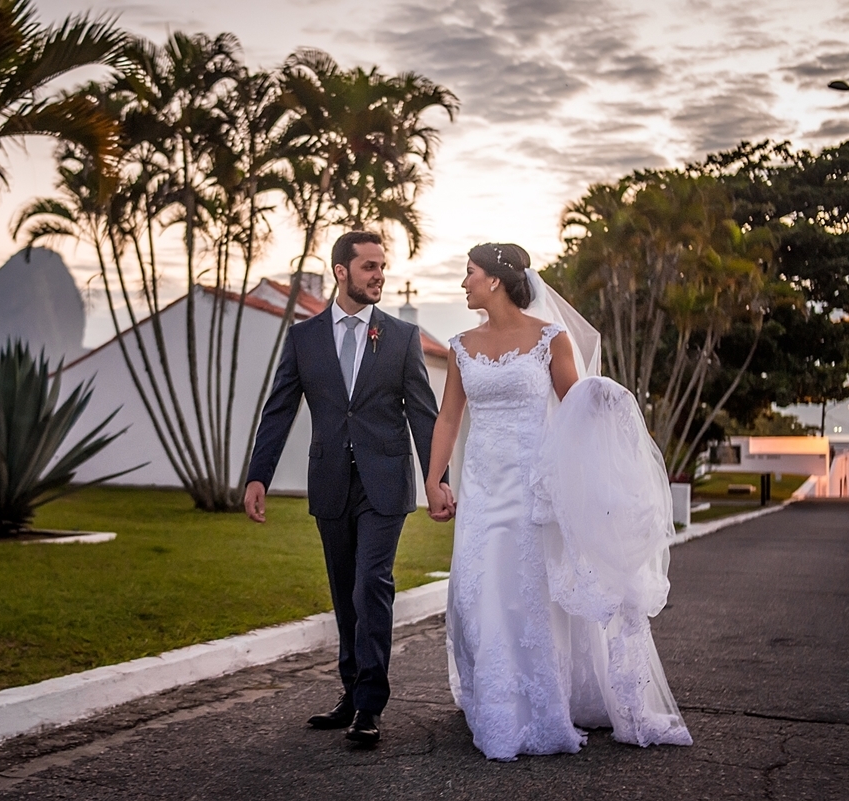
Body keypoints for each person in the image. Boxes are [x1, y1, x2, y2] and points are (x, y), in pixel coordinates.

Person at [424, 243, 693, 760]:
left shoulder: (550, 338)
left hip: (532, 485)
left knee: (530, 592)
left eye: (470, 274)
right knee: (479, 591)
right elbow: (449, 418)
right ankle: (497, 700)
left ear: (496, 281)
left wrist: (606, 401)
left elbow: (573, 405)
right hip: (483, 487)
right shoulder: (460, 346)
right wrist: (434, 479)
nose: (464, 283)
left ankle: (541, 704)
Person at [245, 230, 452, 745]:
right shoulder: (304, 338)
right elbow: (279, 408)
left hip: (385, 483)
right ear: (342, 271)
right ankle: (350, 691)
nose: (379, 274)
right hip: (332, 481)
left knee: (371, 585)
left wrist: (437, 479)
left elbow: (424, 416)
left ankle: (369, 705)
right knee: (345, 594)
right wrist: (258, 474)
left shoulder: (402, 337)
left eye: (382, 266)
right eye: (369, 267)